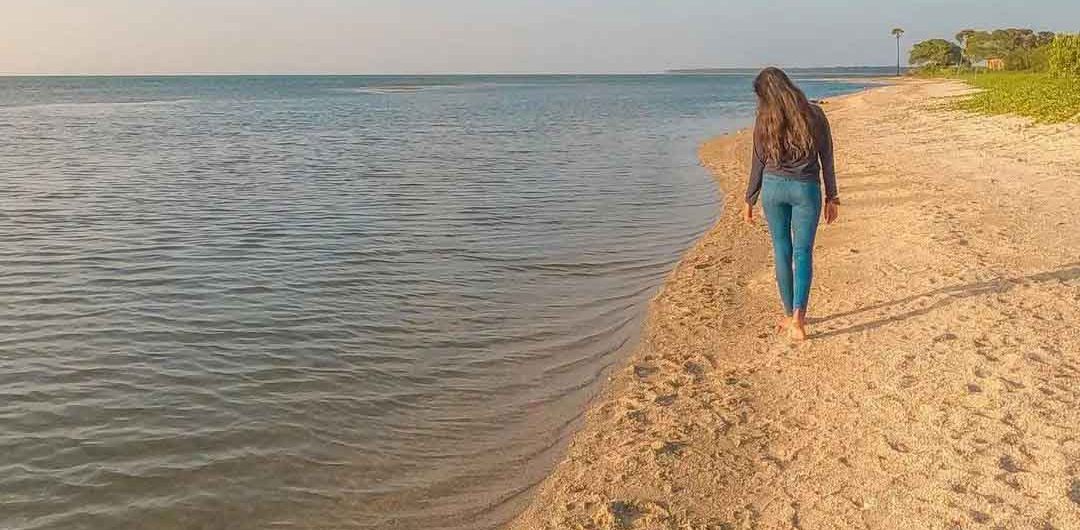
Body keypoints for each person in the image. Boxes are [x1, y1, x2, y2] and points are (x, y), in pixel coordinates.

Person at [742, 67, 839, 340]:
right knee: (803, 252)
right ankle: (798, 319)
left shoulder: (764, 118)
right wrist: (833, 196)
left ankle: (788, 315)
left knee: (782, 251)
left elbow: (758, 161)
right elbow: (827, 159)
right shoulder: (815, 114)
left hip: (773, 190)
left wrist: (749, 198)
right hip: (807, 190)